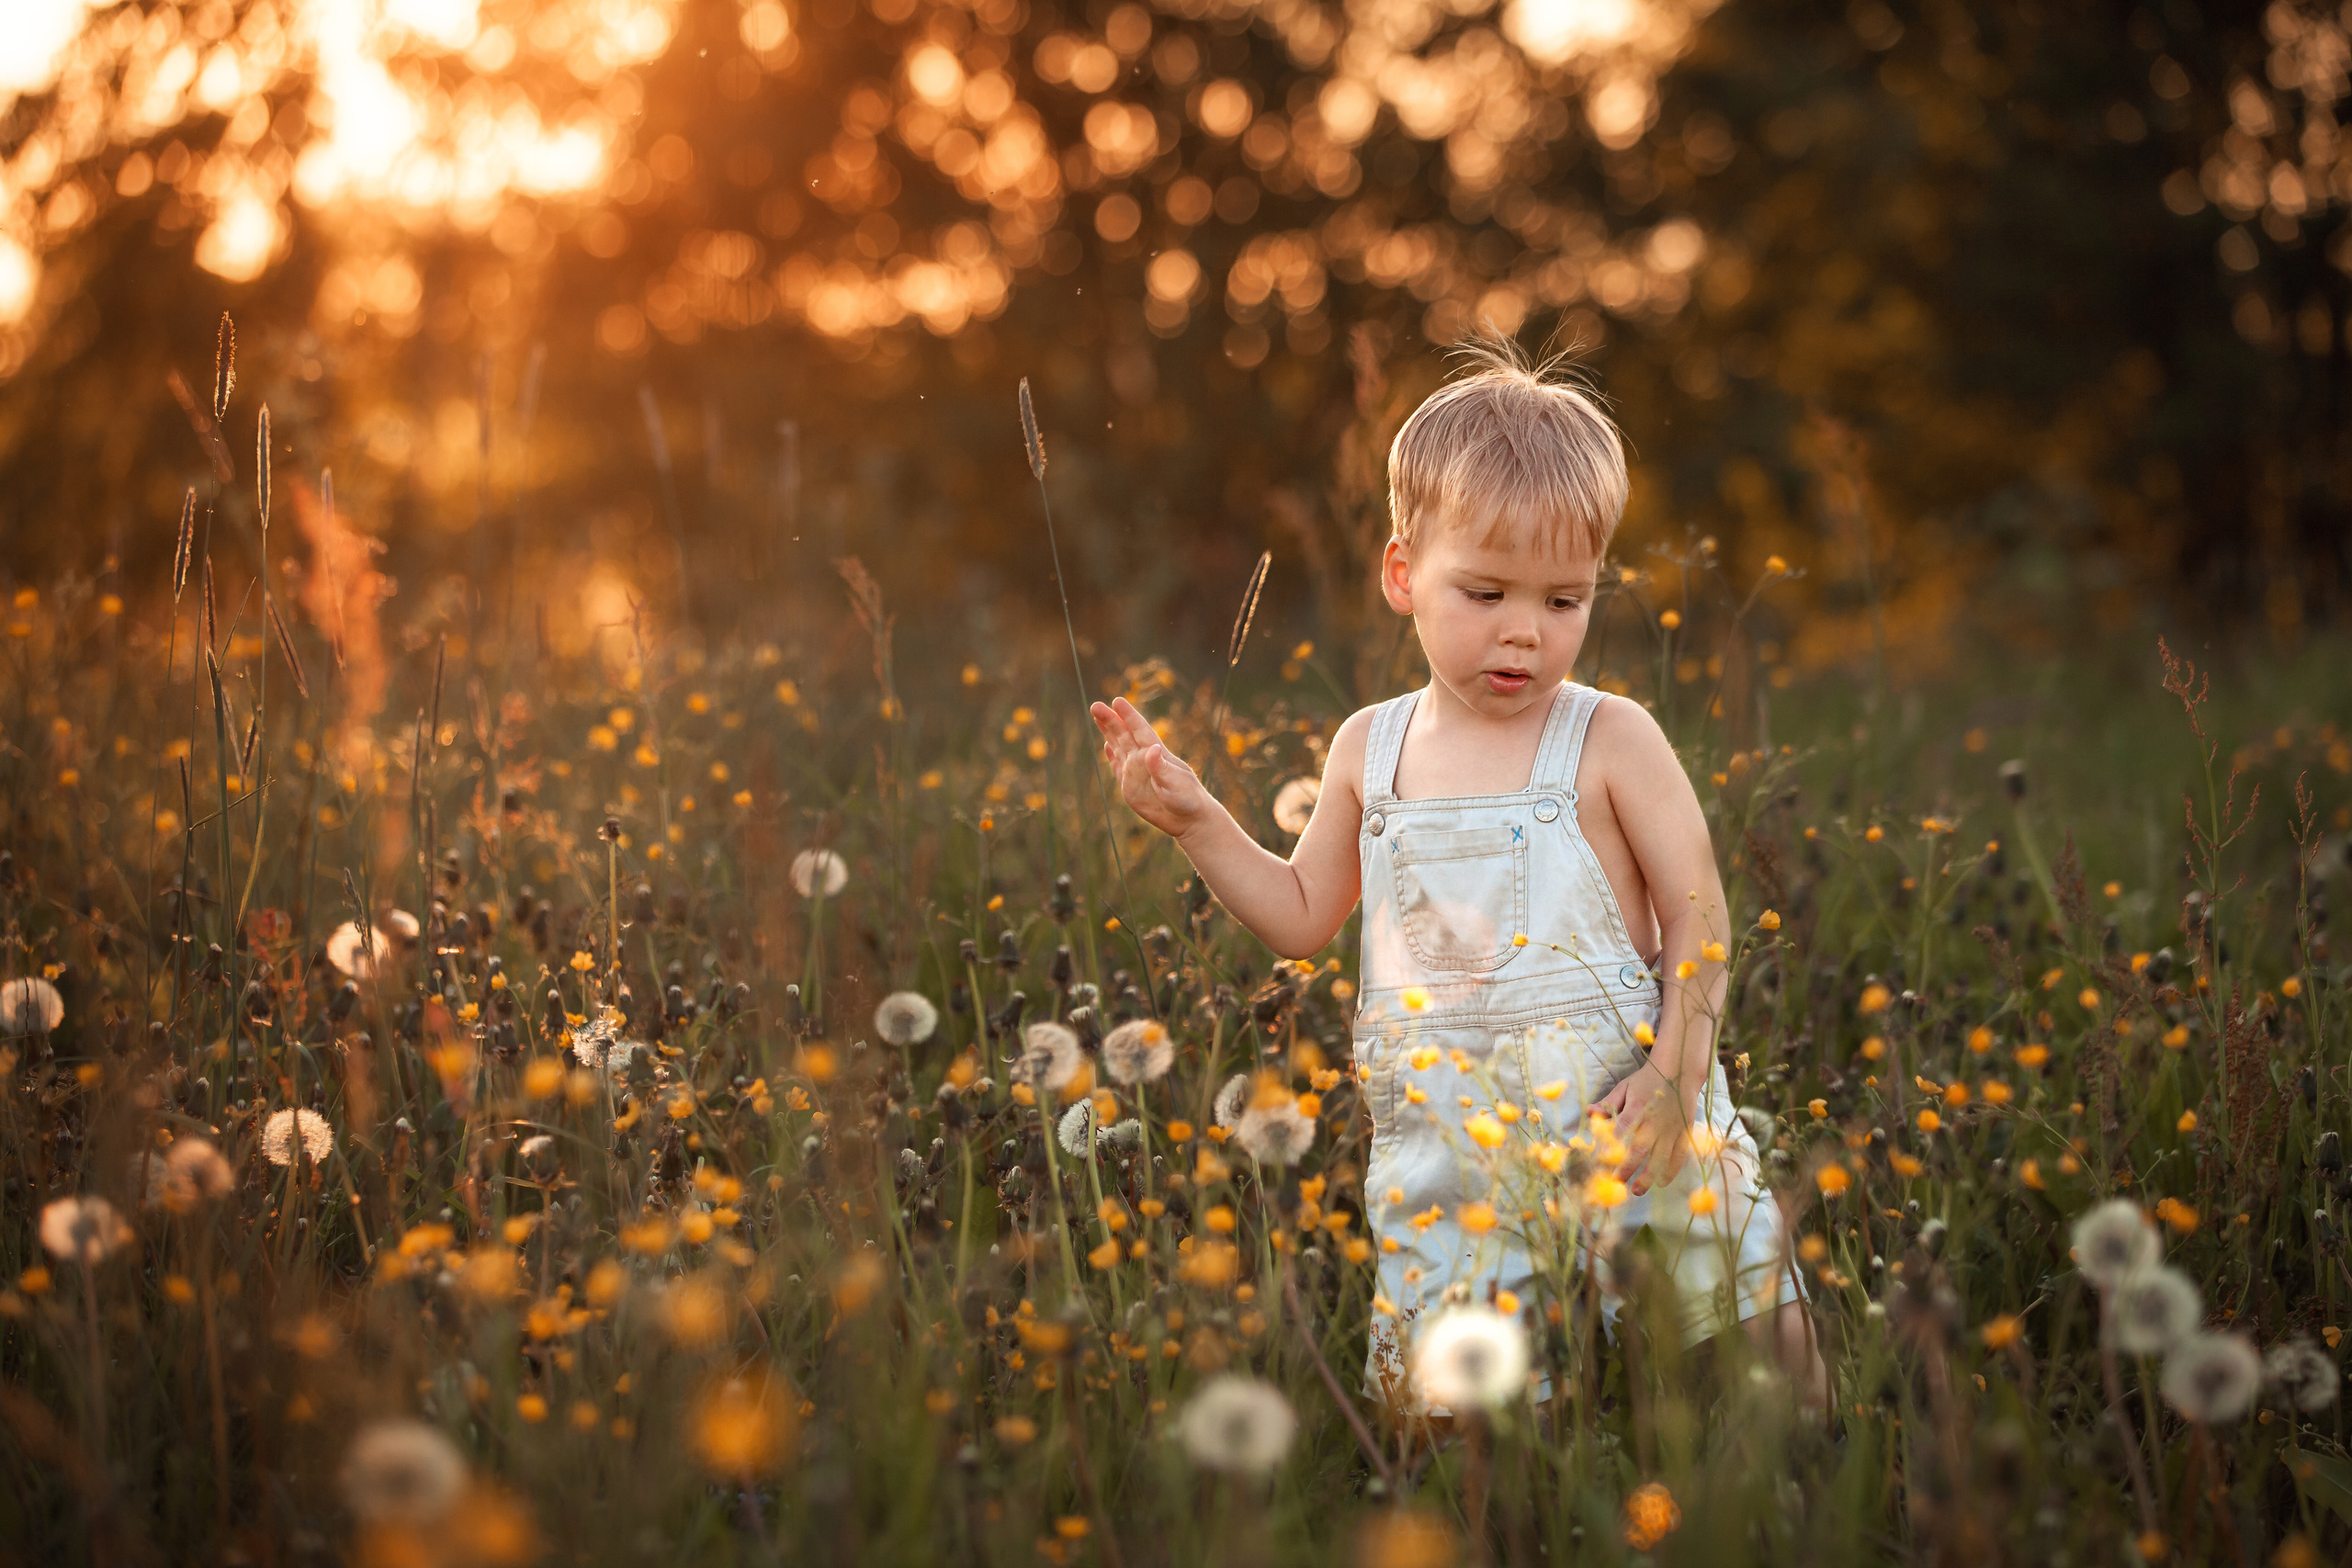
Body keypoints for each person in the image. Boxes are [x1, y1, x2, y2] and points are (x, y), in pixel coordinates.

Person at [1089, 337, 1826, 1409]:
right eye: (1484, 592)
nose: (1524, 632)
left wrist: (1675, 1076)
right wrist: (1197, 821)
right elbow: (1299, 916)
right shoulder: (1368, 749)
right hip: (1451, 1151)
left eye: (1564, 602)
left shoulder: (1609, 738)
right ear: (1403, 574)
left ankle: (1823, 1472)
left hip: (1632, 1116)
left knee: (1755, 1340)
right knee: (1459, 1419)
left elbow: (1699, 918)